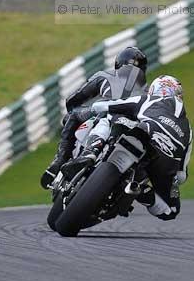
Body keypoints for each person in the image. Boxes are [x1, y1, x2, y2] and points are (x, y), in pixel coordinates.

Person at [40, 46, 148, 189]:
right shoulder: (148, 92)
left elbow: (74, 99)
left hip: (104, 112)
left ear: (118, 63)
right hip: (133, 125)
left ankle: (59, 161)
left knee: (72, 115)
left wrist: (71, 113)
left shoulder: (105, 75)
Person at [89, 74, 193, 221]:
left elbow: (103, 106)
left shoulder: (147, 99)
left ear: (153, 90)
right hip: (165, 162)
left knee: (107, 116)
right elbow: (182, 174)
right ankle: (142, 191)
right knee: (171, 211)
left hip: (142, 135)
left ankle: (92, 150)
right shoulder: (188, 127)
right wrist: (173, 181)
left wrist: (89, 110)